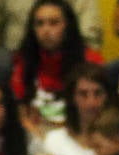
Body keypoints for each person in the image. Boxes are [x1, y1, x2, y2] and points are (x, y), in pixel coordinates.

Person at [9, 0, 103, 138]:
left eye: (53, 23)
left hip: (79, 136)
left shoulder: (91, 61)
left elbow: (97, 114)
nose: (46, 30)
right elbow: (21, 112)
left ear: (67, 26)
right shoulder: (23, 61)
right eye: (40, 24)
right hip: (35, 136)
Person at [0, 0, 104, 82]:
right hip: (14, 54)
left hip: (69, 51)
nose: (46, 29)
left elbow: (90, 32)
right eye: (41, 24)